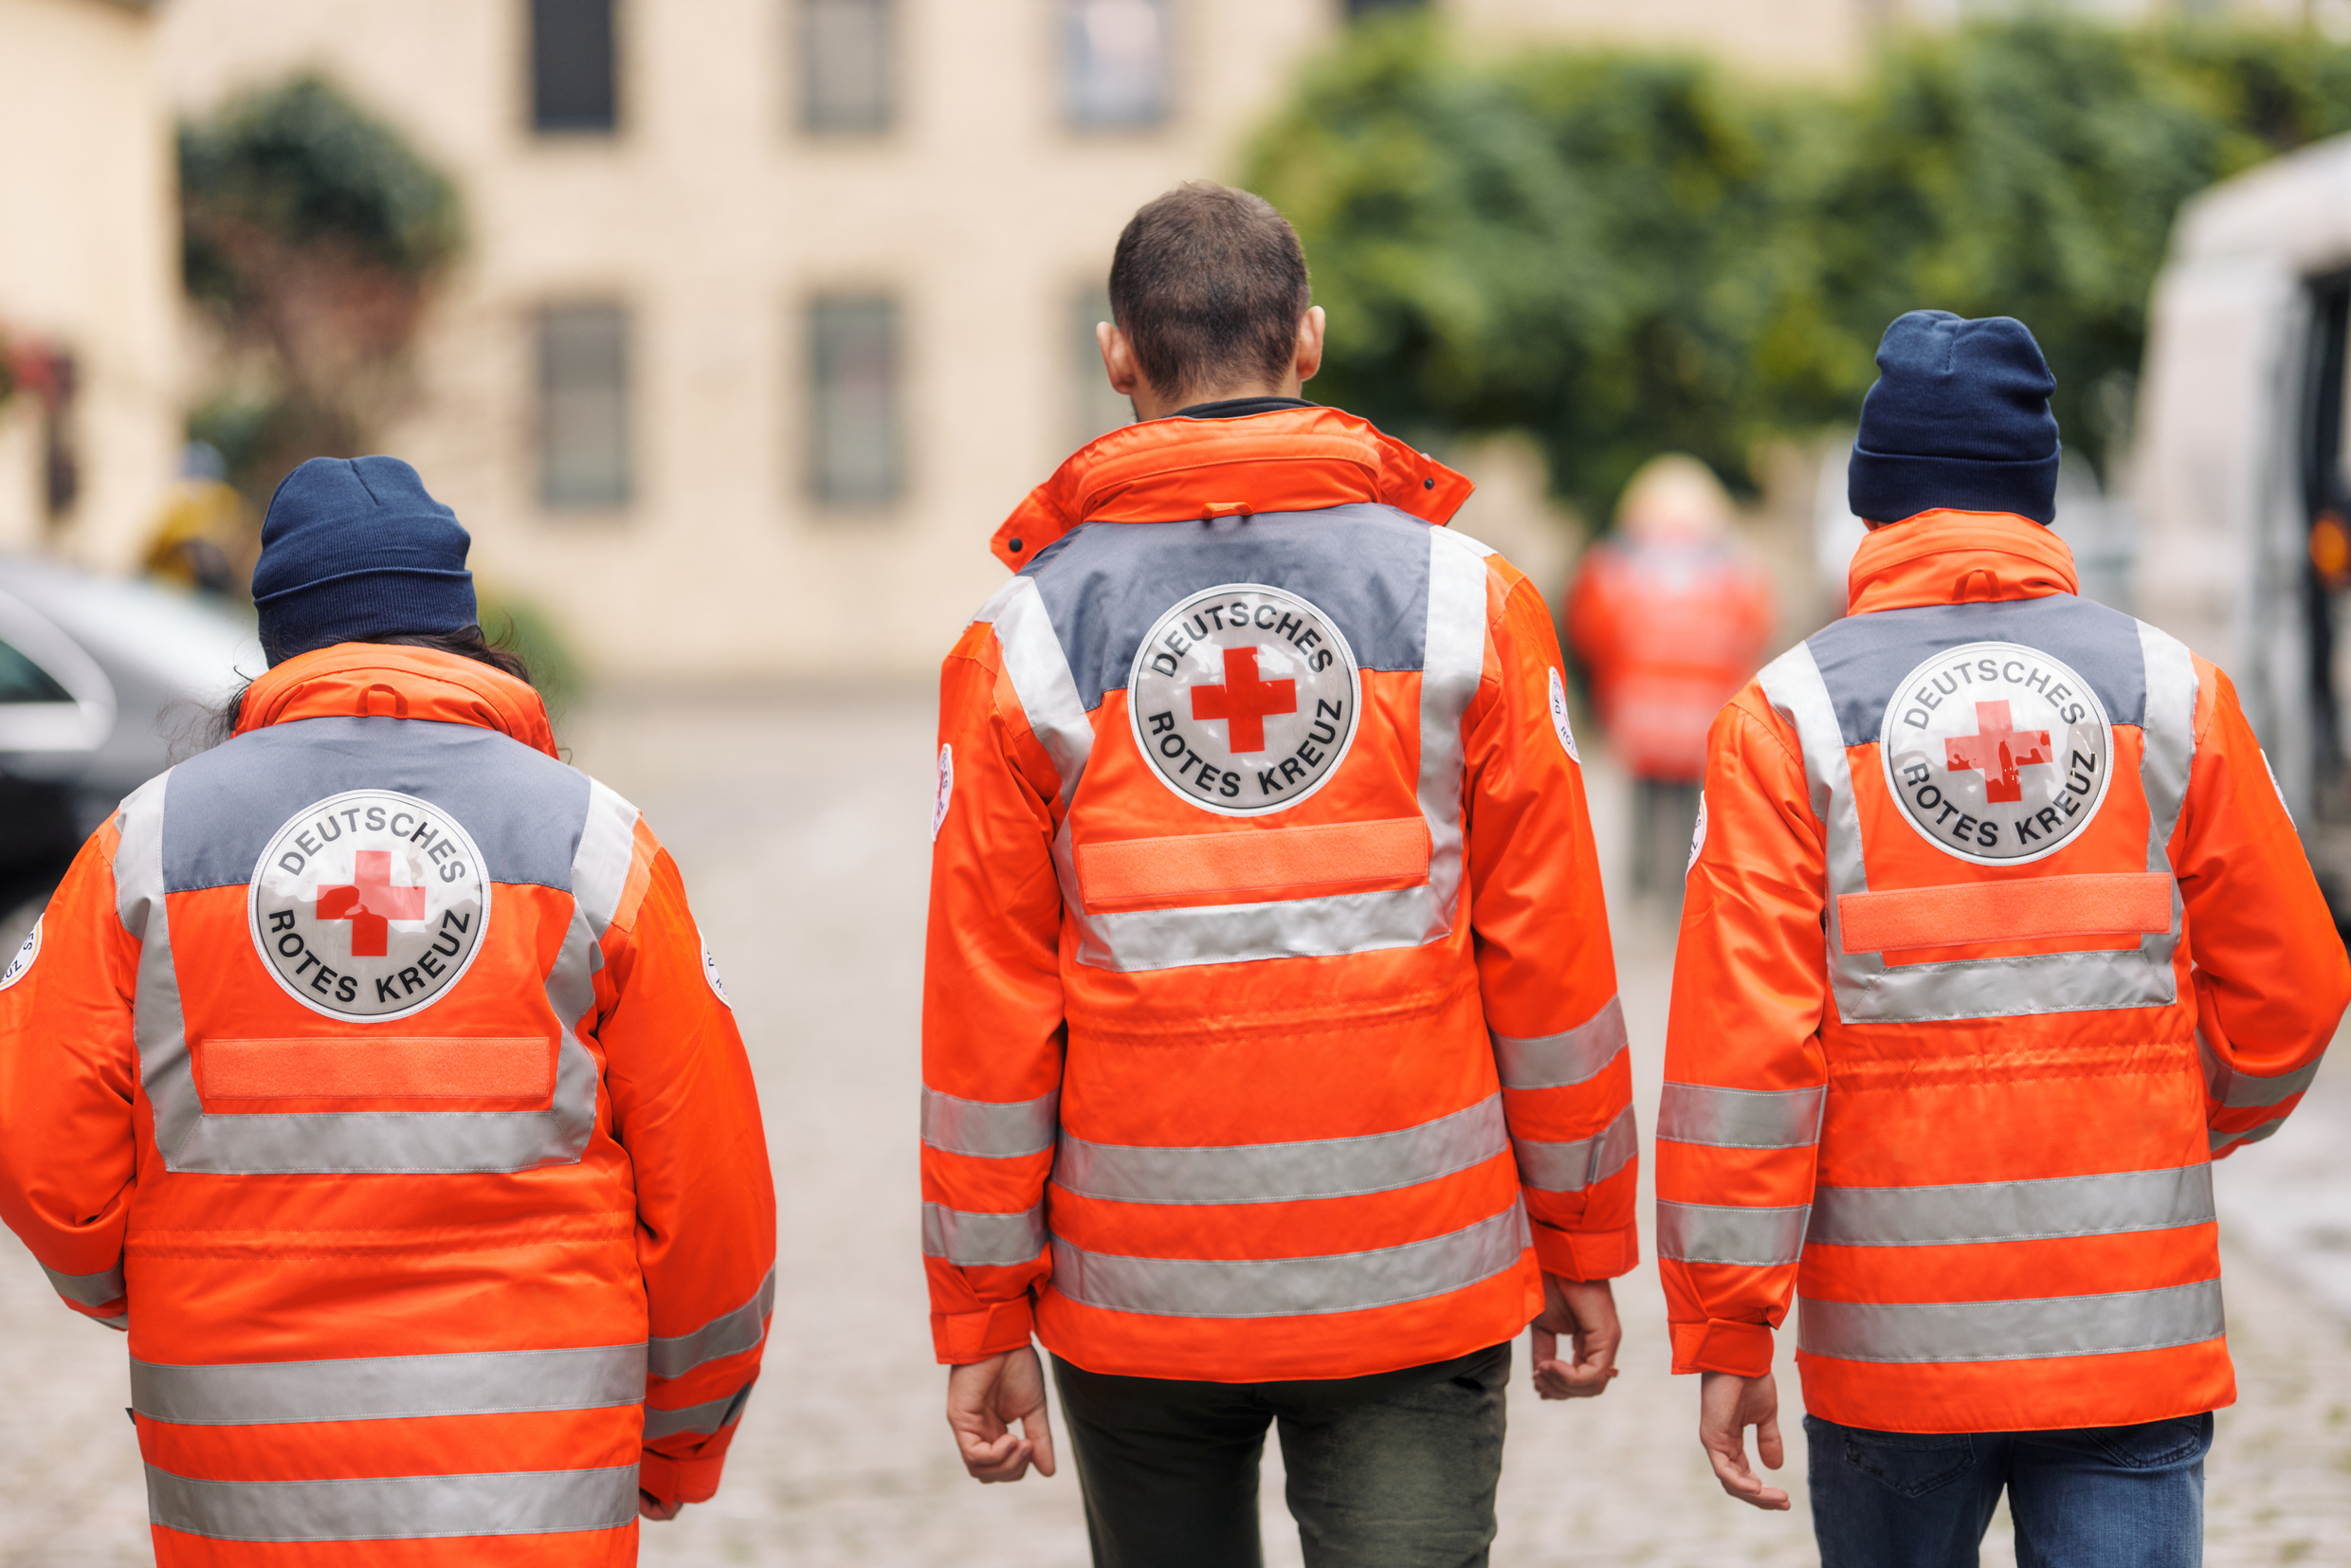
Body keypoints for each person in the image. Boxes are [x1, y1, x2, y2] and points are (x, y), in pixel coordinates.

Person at [920, 183, 1635, 1567]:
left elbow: (988, 1010)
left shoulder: (1019, 644)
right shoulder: (1468, 603)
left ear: (1118, 354)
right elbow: (1547, 959)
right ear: (1308, 339)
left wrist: (981, 1309)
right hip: (1415, 1273)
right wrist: (1583, 1237)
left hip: (1140, 1292)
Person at [1660, 311, 2351, 1567]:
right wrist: (2170, 1121)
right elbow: (2296, 986)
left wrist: (1728, 1328)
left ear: (1873, 503)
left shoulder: (1787, 717)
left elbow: (1744, 1064)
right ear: (2038, 500)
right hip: (2128, 1327)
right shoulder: (2174, 692)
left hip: (1889, 1349)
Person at [0, 456, 776, 1564]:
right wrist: (682, 1435)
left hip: (241, 1478)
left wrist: (156, 1284)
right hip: (535, 1484)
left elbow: (36, 1139)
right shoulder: (592, 845)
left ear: (278, 640)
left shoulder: (148, 846)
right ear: (458, 627)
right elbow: (709, 1187)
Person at [1565, 454, 1774, 893]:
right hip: (1703, 708)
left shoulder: (1616, 563)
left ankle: (1641, 879)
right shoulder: (1734, 568)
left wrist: (1613, 676)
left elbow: (1590, 627)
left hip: (1641, 707)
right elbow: (1755, 627)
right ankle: (1683, 881)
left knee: (1643, 794)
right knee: (1691, 799)